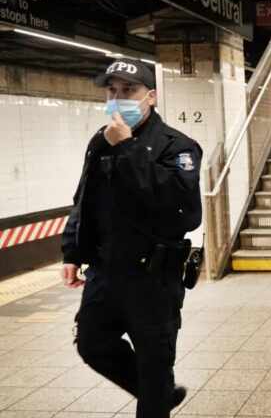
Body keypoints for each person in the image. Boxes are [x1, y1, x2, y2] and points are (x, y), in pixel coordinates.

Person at [61, 59, 202, 417]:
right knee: (93, 345)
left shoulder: (178, 147)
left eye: (129, 91)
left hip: (152, 278)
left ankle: (156, 396)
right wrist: (71, 252)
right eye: (112, 91)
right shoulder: (100, 141)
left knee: (155, 365)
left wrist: (128, 149)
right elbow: (85, 199)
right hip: (105, 273)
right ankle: (159, 395)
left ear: (151, 96)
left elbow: (181, 209)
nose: (118, 98)